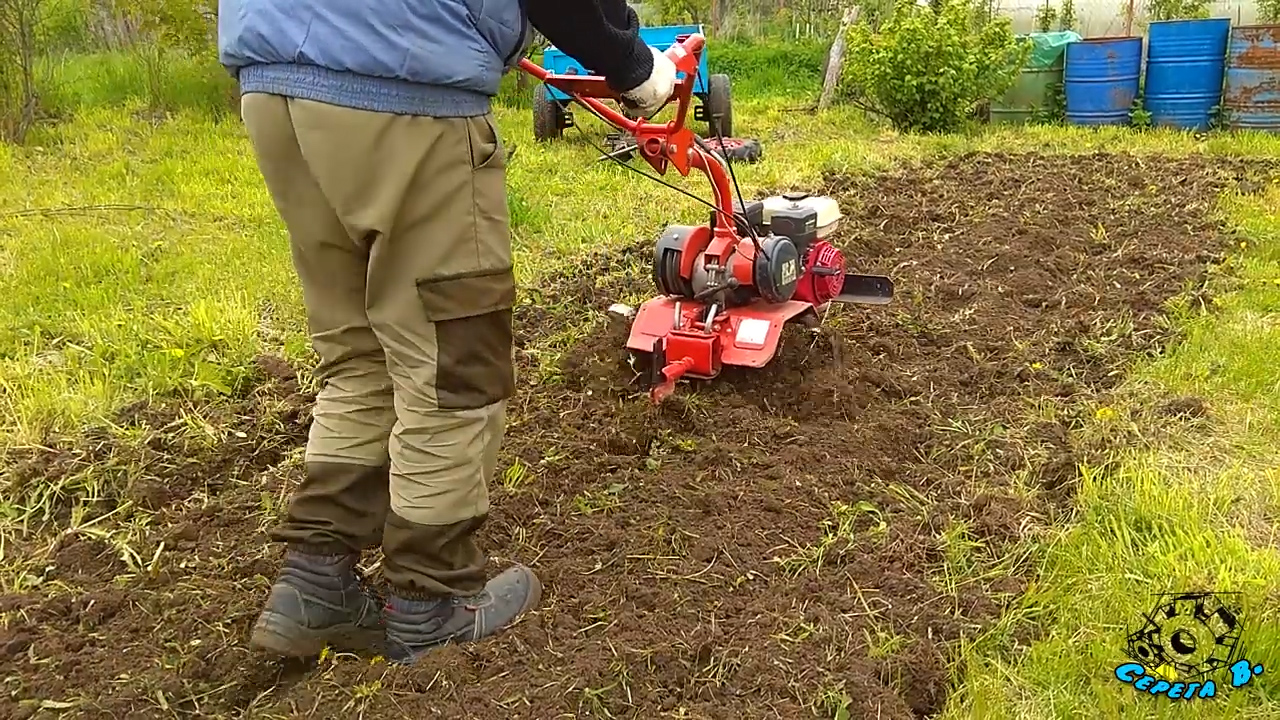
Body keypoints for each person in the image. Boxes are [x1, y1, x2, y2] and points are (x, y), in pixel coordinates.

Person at [216, 0, 677, 665]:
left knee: (359, 356)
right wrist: (635, 64)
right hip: (403, 85)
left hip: (274, 84)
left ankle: (316, 583)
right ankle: (429, 604)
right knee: (453, 365)